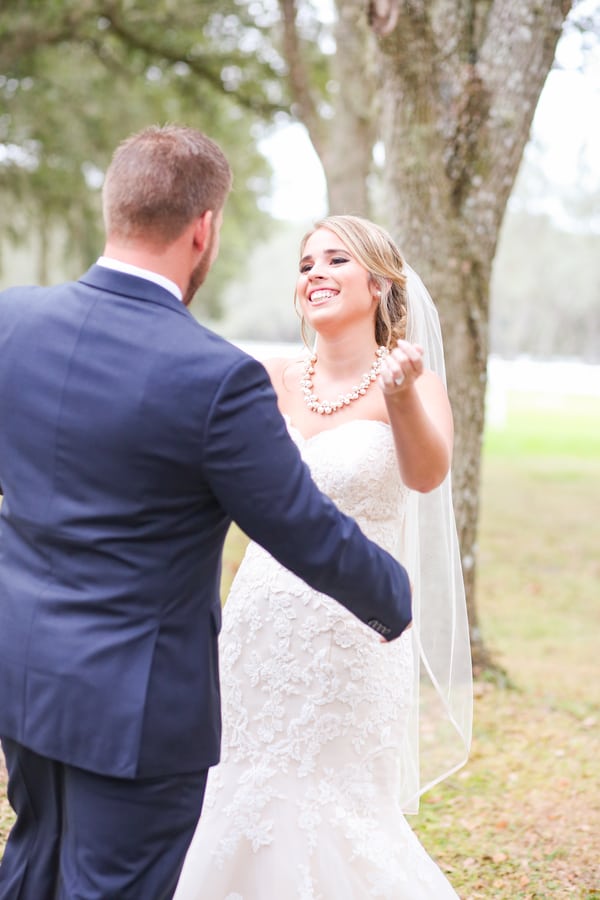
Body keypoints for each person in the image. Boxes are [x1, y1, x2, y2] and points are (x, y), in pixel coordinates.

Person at [0, 133, 414, 900]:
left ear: (113, 206)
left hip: (24, 675)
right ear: (205, 229)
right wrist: (394, 596)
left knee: (31, 868)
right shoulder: (214, 375)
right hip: (137, 707)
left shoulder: (11, 323)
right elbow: (300, 525)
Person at [174, 215, 473, 899]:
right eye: (306, 263)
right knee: (242, 786)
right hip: (256, 622)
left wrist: (398, 399)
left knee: (332, 804)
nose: (315, 273)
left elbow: (427, 476)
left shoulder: (411, 380)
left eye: (336, 260)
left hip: (352, 629)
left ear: (377, 282)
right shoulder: (269, 378)